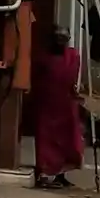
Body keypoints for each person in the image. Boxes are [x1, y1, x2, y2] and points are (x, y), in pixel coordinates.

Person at [32, 24, 86, 189]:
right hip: (47, 105)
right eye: (58, 38)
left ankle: (61, 175)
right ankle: (44, 174)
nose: (61, 41)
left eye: (64, 38)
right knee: (46, 142)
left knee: (67, 141)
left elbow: (75, 80)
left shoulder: (72, 56)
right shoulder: (43, 58)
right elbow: (36, 80)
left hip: (66, 106)